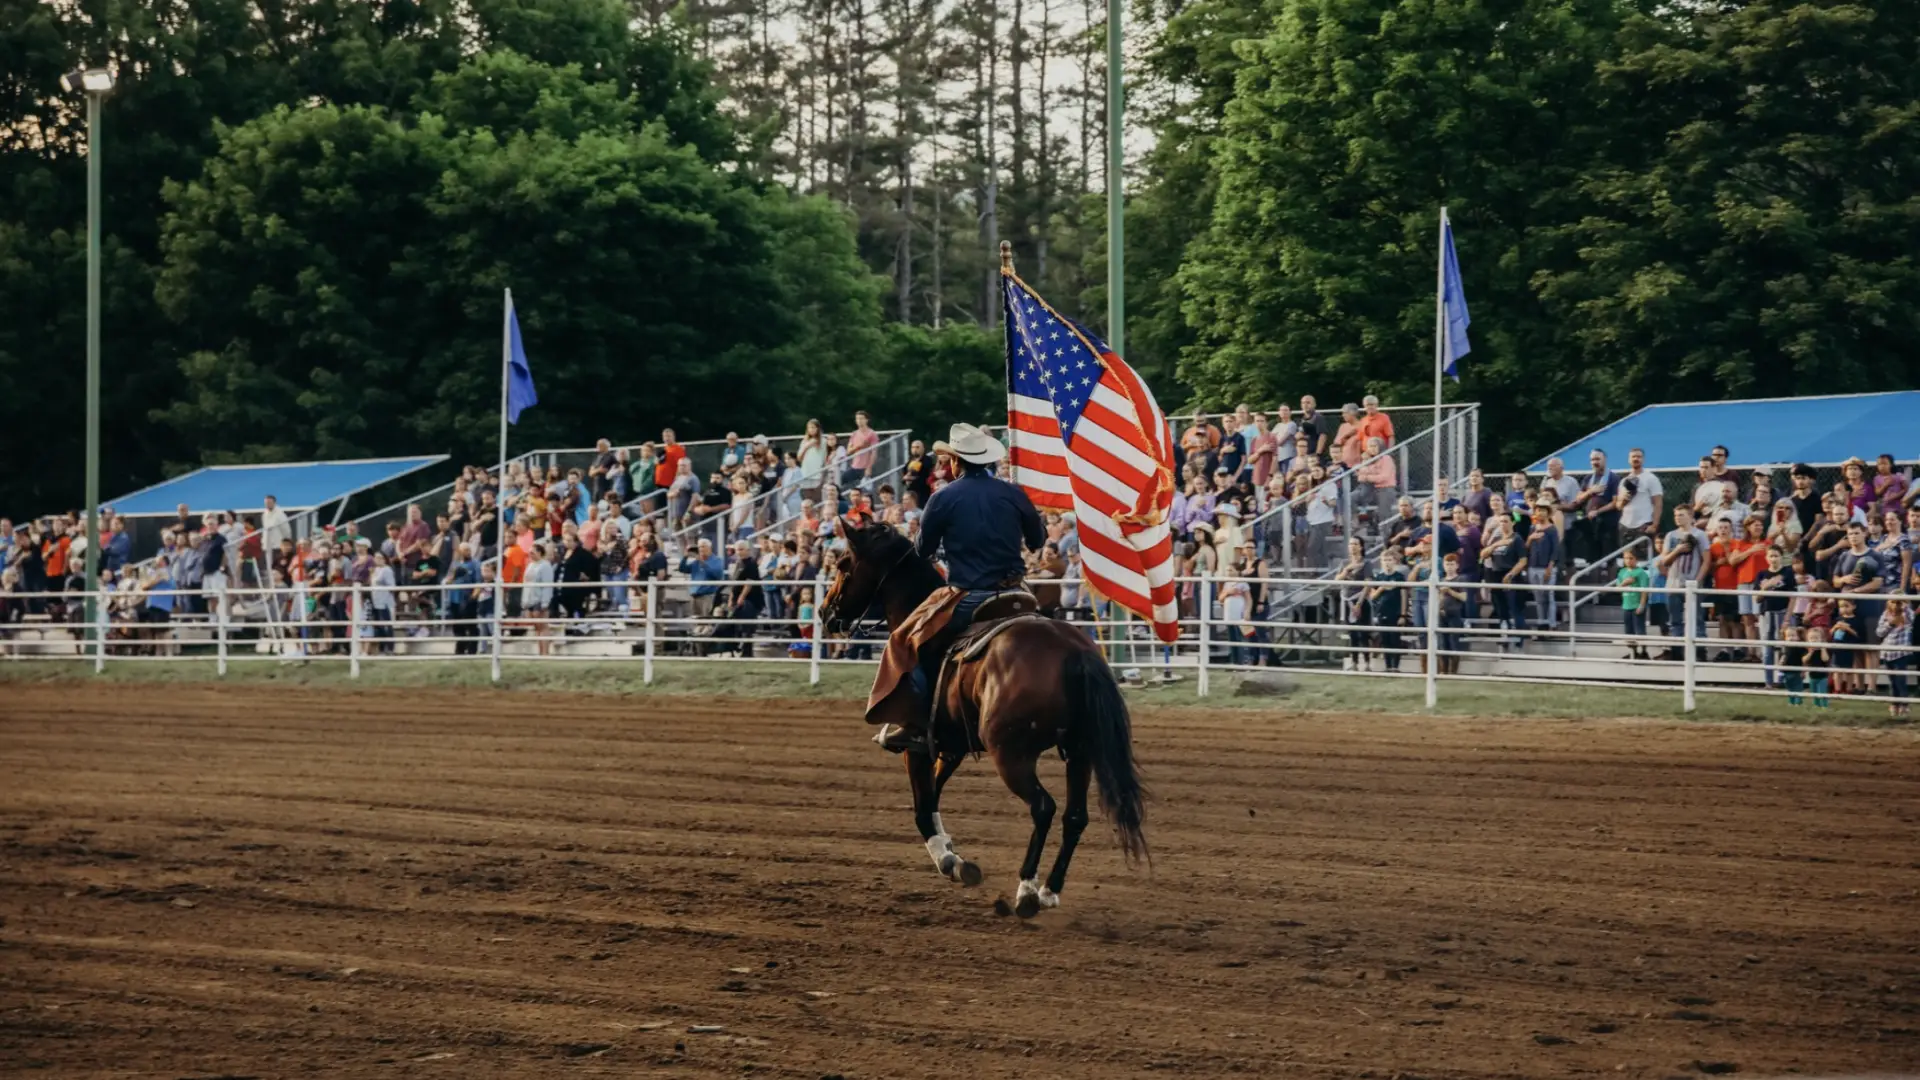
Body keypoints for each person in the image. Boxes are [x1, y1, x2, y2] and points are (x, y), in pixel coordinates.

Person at [872, 423, 1045, 753]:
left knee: (905, 641)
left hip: (969, 596)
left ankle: (915, 723)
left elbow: (922, 551)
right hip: (1018, 595)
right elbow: (1037, 541)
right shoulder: (1014, 493)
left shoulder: (943, 497)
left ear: (955, 461)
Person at [1614, 547, 1651, 660]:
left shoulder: (1641, 573)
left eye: (1631, 558)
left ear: (1636, 559)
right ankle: (1633, 651)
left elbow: (1644, 590)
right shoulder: (1622, 572)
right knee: (1629, 630)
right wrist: (1624, 584)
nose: (1628, 561)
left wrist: (1642, 604)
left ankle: (1643, 651)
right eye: (1626, 558)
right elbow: (1617, 588)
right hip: (1627, 605)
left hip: (1636, 605)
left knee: (1639, 629)